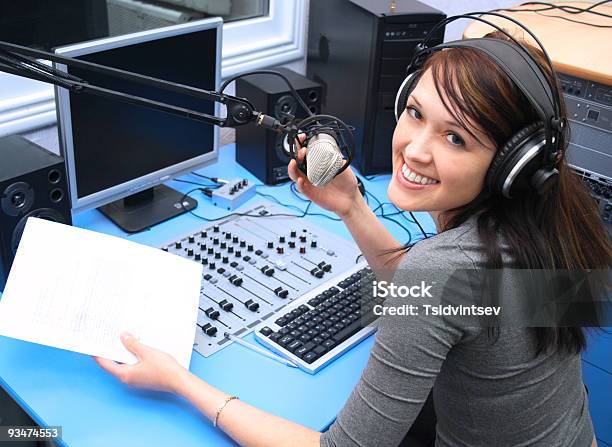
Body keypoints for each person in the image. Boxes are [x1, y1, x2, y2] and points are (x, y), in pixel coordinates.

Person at [95, 31, 610, 447]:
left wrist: (179, 381)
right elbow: (458, 300)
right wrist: (350, 206)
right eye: (416, 113)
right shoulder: (546, 222)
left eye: (456, 138)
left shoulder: (441, 268)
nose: (414, 150)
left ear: (509, 165)